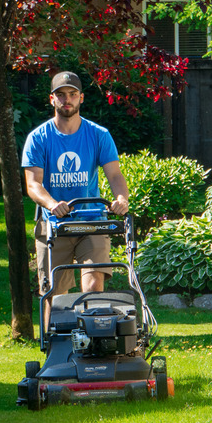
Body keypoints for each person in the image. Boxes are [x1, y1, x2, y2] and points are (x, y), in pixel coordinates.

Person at [22, 71, 130, 297]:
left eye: (72, 94)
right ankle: (52, 333)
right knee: (53, 294)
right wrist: (52, 204)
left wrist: (121, 199)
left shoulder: (99, 135)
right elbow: (33, 184)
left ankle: (91, 333)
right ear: (52, 99)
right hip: (53, 225)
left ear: (81, 98)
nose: (66, 99)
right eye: (60, 95)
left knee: (93, 288)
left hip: (91, 222)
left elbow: (115, 175)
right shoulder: (38, 138)